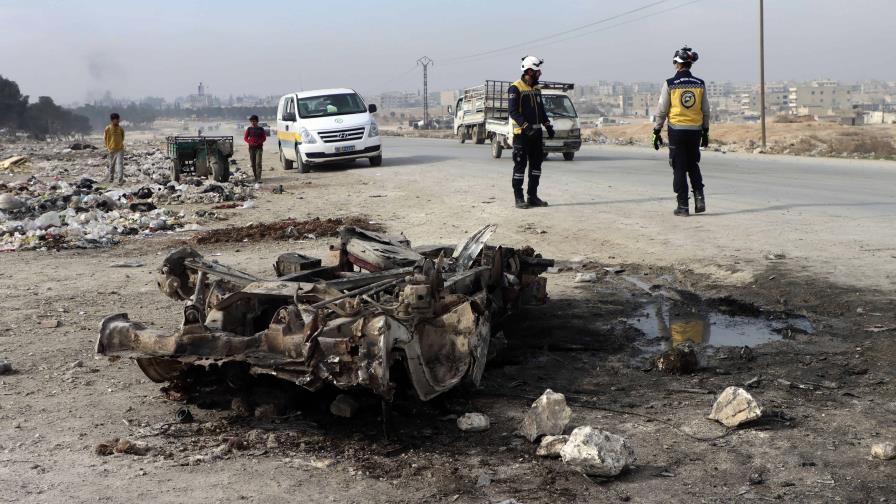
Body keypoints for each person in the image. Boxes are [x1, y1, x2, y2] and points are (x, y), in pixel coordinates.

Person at [652, 46, 711, 216]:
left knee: (679, 167)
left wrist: (656, 131)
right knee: (693, 164)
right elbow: (706, 110)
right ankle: (700, 199)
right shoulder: (700, 84)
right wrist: (705, 132)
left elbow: (662, 110)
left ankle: (683, 206)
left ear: (677, 64)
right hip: (695, 131)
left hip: (677, 131)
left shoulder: (670, 83)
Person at [508, 55, 555, 209]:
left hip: (537, 135)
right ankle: (519, 198)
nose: (540, 74)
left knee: (536, 167)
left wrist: (547, 125)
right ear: (529, 71)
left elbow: (541, 111)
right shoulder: (516, 88)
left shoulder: (536, 89)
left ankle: (532, 196)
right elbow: (513, 112)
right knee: (520, 167)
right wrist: (526, 127)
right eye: (537, 71)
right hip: (522, 135)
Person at [244, 114, 267, 182]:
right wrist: (250, 142)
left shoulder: (260, 129)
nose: (253, 122)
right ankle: (255, 176)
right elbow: (245, 138)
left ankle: (259, 178)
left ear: (257, 121)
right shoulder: (249, 129)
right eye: (251, 121)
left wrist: (259, 142)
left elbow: (264, 138)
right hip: (251, 149)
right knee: (253, 163)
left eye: (254, 121)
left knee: (258, 163)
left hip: (259, 148)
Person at [103, 112, 125, 184]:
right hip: (111, 149)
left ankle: (120, 180)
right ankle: (111, 178)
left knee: (120, 164)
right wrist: (107, 147)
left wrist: (120, 144)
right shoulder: (108, 128)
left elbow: (122, 137)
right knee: (112, 165)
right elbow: (105, 138)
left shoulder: (120, 129)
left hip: (120, 149)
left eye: (118, 119)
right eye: (117, 119)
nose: (118, 121)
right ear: (112, 120)